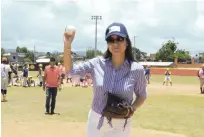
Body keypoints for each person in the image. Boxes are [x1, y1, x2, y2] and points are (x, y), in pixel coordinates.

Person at [63, 22, 147, 137]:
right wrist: (67, 45)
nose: (115, 43)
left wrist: (132, 108)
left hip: (121, 125)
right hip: (96, 121)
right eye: (111, 40)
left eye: (119, 39)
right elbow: (70, 72)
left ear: (126, 42)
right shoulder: (97, 63)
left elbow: (142, 95)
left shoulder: (137, 69)